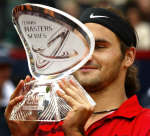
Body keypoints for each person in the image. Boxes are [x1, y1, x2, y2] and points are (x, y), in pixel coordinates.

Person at [4, 7, 150, 136]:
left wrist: (73, 132)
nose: (85, 57)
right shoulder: (42, 124)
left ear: (128, 57)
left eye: (99, 47)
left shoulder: (145, 124)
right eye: (78, 47)